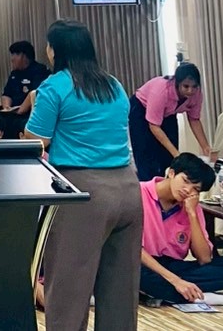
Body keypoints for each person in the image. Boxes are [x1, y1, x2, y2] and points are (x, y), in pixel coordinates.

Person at [24, 19, 140, 331]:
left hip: (83, 191)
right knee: (121, 290)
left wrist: (34, 104)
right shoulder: (114, 85)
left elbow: (35, 141)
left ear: (55, 50)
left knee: (69, 288)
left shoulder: (55, 86)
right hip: (128, 190)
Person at [137, 153, 223, 305]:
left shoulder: (192, 207)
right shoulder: (138, 194)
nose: (188, 190)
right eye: (185, 181)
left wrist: (192, 214)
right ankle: (202, 296)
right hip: (139, 261)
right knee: (135, 275)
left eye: (195, 189)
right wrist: (176, 281)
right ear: (171, 173)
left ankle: (159, 294)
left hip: (171, 265)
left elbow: (204, 258)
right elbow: (133, 249)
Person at [129, 63, 213, 182]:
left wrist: (205, 147)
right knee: (147, 155)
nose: (190, 91)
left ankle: (169, 186)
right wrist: (176, 153)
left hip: (169, 113)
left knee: (170, 159)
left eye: (194, 86)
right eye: (186, 86)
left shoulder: (196, 93)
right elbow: (154, 126)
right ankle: (148, 187)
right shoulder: (161, 91)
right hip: (141, 110)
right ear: (177, 83)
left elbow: (194, 119)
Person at [0, 41, 50, 118]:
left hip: (30, 112)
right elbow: (6, 94)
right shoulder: (14, 73)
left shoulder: (40, 71)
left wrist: (19, 111)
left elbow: (34, 95)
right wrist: (7, 108)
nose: (12, 59)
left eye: (15, 54)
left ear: (24, 56)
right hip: (13, 111)